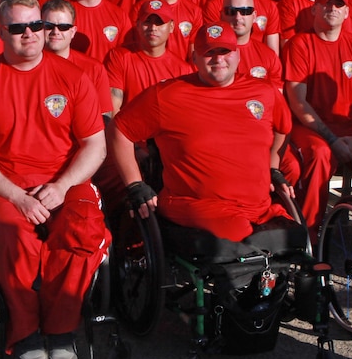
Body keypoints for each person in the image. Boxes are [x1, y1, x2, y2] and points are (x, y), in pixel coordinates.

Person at [0, 0, 109, 359]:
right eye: (18, 28)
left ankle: (60, 329)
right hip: (2, 184)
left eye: (36, 25)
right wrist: (17, 197)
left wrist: (61, 186)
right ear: (0, 32)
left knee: (84, 230)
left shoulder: (73, 77)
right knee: (11, 238)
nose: (30, 34)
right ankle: (24, 332)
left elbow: (95, 146)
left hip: (63, 179)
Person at [109, 20, 293, 242]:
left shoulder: (264, 92)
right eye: (209, 53)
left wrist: (273, 167)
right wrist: (135, 184)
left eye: (224, 51)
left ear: (238, 55)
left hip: (259, 208)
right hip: (197, 208)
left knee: (294, 246)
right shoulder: (167, 95)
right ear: (194, 58)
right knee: (242, 237)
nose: (218, 59)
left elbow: (284, 128)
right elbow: (119, 130)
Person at [283, 0, 352, 232]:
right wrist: (334, 140)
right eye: (326, 4)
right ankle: (310, 232)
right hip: (308, 128)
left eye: (339, 5)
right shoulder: (299, 45)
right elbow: (298, 102)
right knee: (320, 153)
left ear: (347, 12)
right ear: (315, 9)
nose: (332, 9)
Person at [105, 0, 192, 114]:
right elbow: (113, 108)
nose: (153, 28)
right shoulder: (119, 57)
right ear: (137, 24)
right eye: (147, 21)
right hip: (127, 130)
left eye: (159, 22)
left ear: (171, 27)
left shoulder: (183, 71)